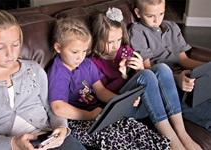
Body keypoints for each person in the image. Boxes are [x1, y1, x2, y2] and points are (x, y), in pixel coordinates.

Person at [47, 17, 171, 149]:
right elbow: (58, 107)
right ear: (58, 48)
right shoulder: (58, 73)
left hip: (100, 113)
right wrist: (90, 115)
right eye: (75, 52)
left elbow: (100, 91)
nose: (80, 57)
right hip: (77, 121)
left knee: (134, 127)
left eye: (84, 51)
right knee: (116, 138)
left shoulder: (87, 64)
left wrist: (121, 100)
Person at [0, 10, 86, 150]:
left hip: (49, 137)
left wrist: (62, 128)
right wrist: (14, 144)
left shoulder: (33, 69)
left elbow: (51, 108)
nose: (10, 53)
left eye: (15, 44)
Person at [89, 7, 201, 150]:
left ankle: (181, 132)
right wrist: (124, 77)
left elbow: (143, 81)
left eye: (119, 39)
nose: (116, 46)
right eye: (110, 42)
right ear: (97, 38)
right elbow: (102, 93)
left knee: (162, 68)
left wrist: (139, 69)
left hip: (146, 103)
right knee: (147, 74)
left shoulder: (125, 51)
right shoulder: (92, 63)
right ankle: (170, 138)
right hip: (124, 108)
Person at [129, 0, 211, 133]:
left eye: (161, 13)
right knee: (200, 110)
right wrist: (177, 79)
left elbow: (183, 59)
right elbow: (147, 70)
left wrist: (206, 66)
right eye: (150, 16)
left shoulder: (172, 27)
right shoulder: (138, 31)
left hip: (183, 77)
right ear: (138, 13)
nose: (157, 20)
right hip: (163, 84)